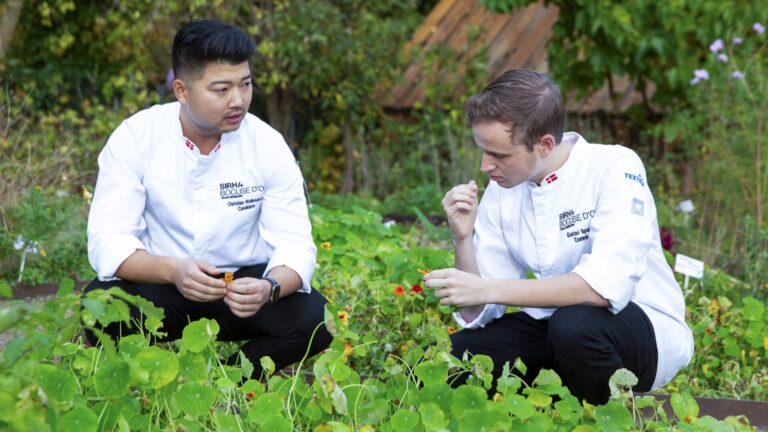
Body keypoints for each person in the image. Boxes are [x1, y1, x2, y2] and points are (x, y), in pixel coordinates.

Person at [423, 69, 693, 404]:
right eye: (483, 150)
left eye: (499, 155)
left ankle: (616, 415)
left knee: (575, 326)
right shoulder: (501, 190)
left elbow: (603, 287)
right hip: (558, 330)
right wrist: (462, 238)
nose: (485, 166)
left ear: (545, 144)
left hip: (643, 330)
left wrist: (487, 288)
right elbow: (478, 310)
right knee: (453, 358)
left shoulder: (615, 166)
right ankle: (558, 405)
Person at [85, 19, 331, 377]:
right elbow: (108, 241)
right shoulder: (136, 137)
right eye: (222, 89)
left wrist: (269, 287)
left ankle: (232, 379)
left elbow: (295, 246)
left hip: (239, 289)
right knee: (101, 307)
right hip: (163, 283)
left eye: (245, 84)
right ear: (182, 91)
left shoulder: (267, 144)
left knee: (316, 319)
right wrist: (174, 270)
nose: (238, 101)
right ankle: (149, 378)